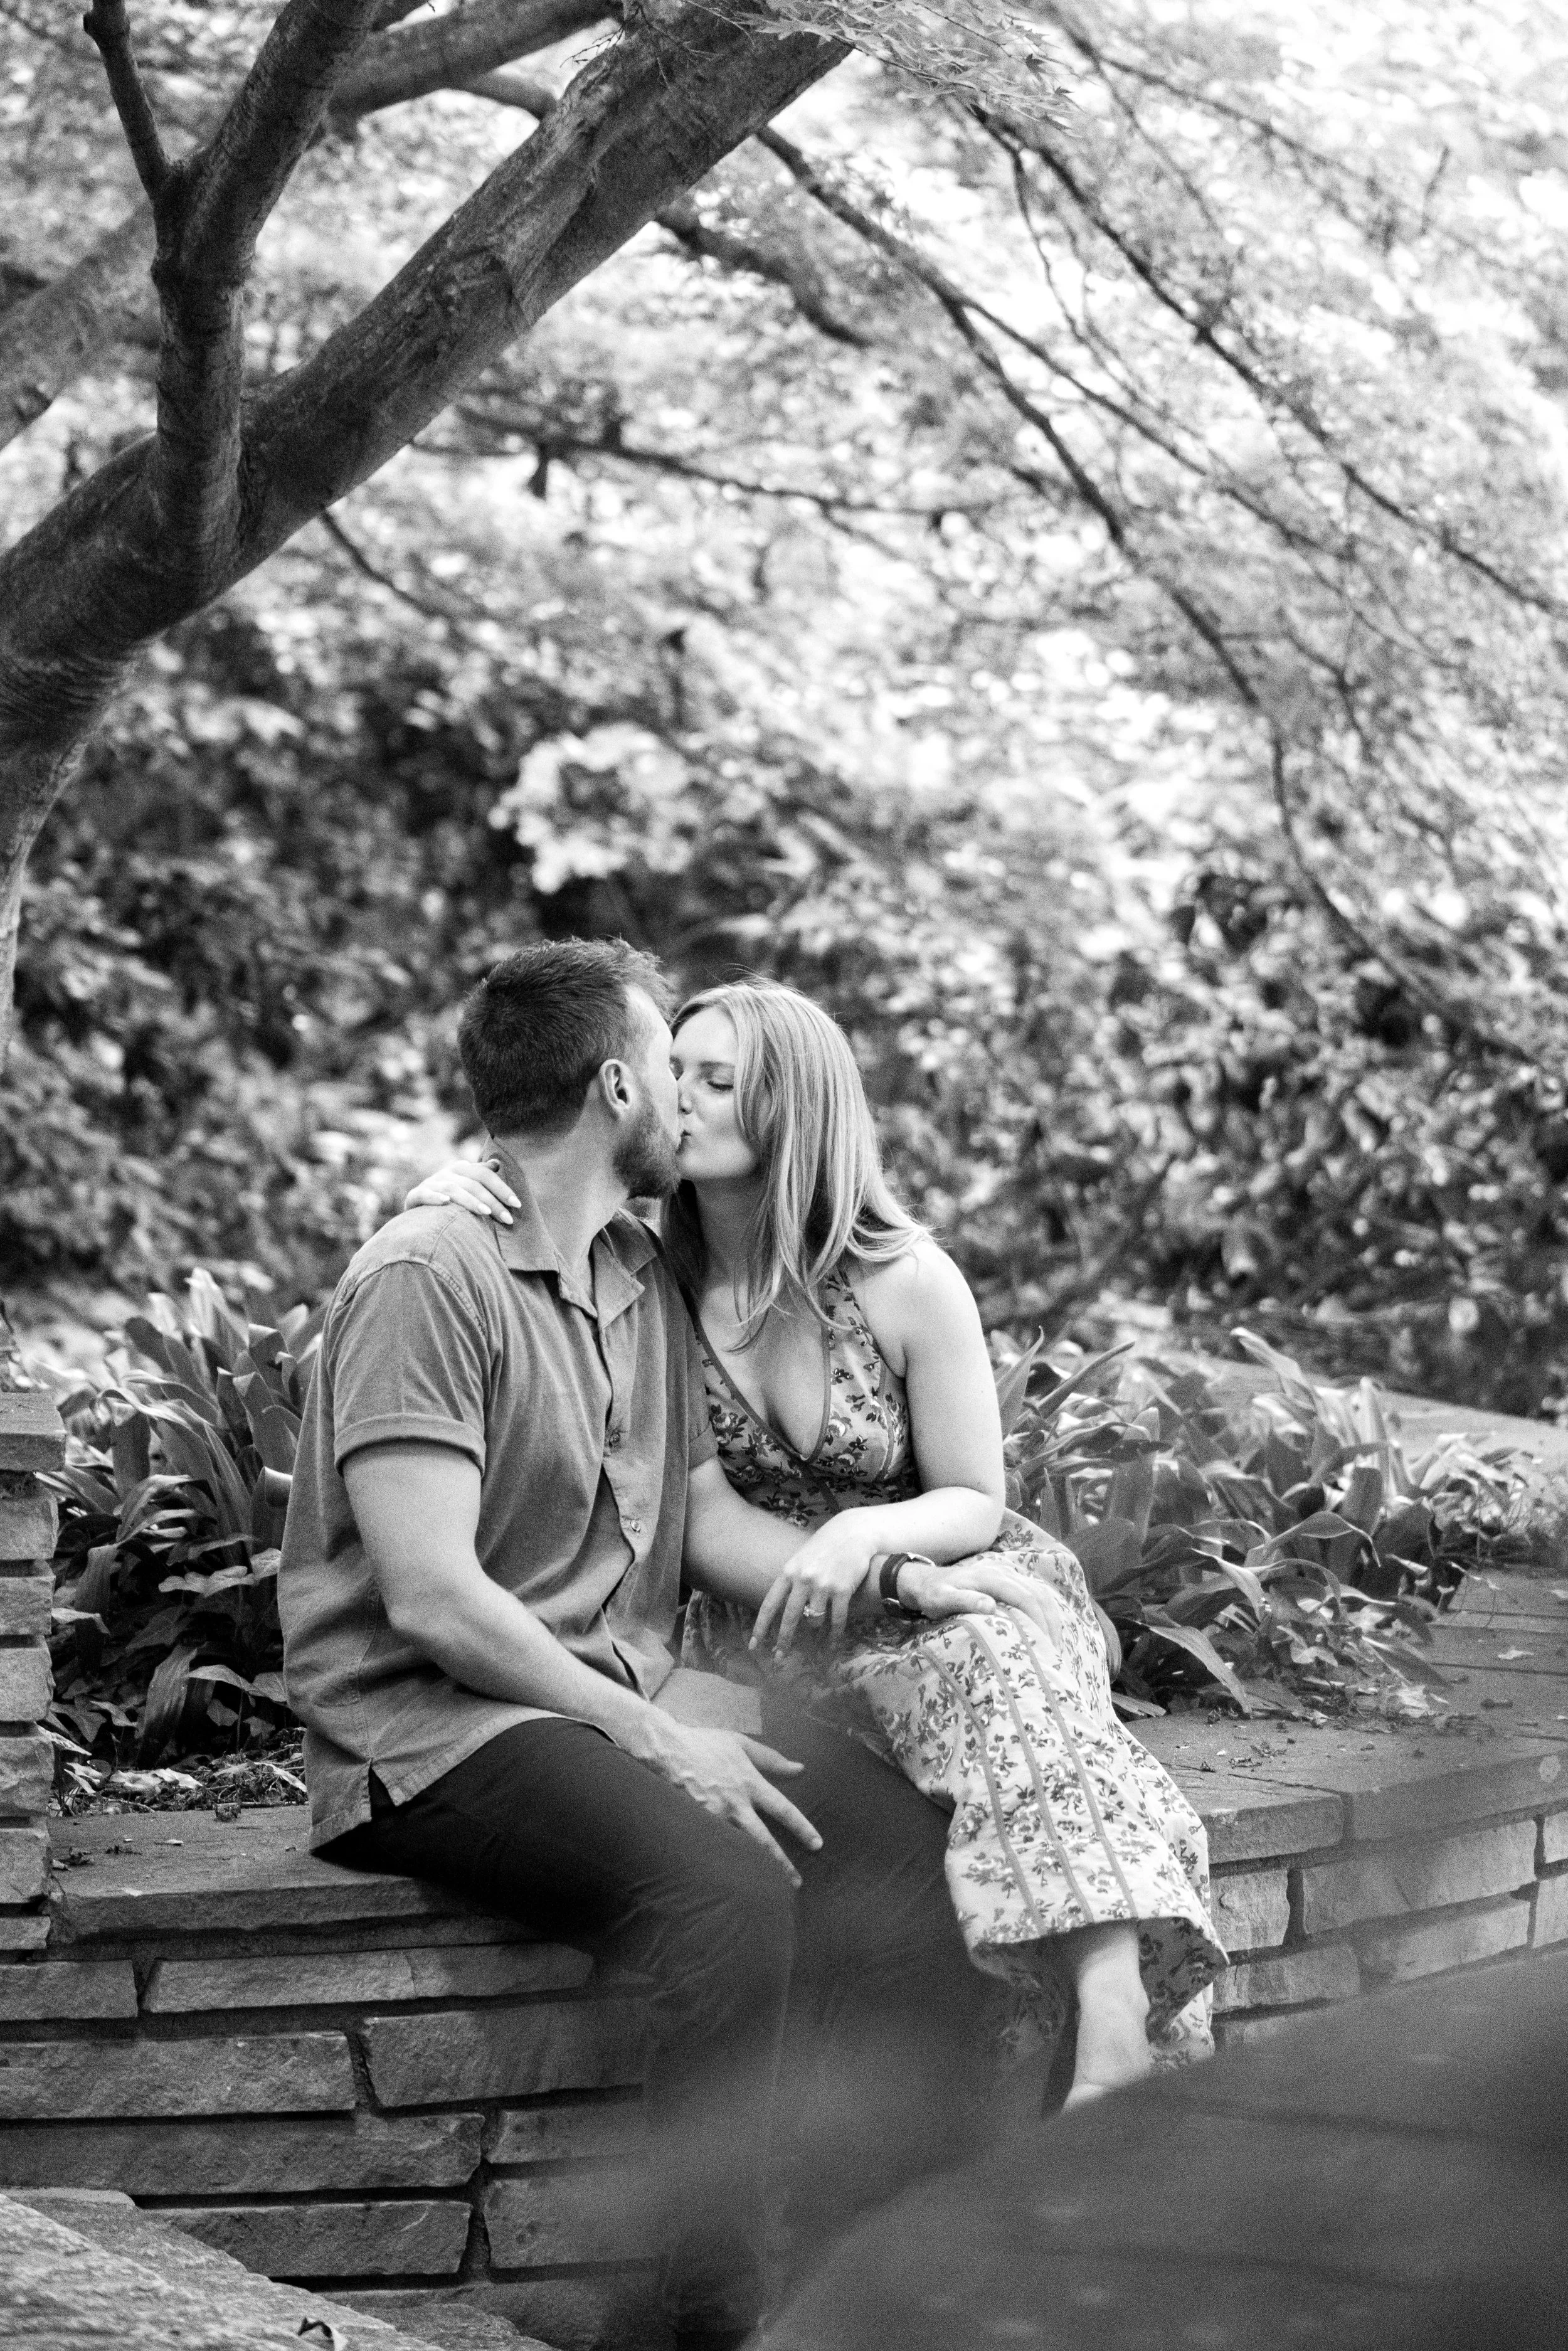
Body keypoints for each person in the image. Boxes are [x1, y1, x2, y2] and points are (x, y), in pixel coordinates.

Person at [280, 938, 1064, 2351]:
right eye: (669, 1063)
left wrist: (900, 1572)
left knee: (900, 1856)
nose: (687, 1099)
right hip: (434, 1727)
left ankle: (877, 2281)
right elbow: (433, 1601)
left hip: (603, 1691)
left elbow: (703, 1516)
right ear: (616, 1085)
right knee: (721, 1890)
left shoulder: (638, 1272)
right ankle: (709, 2322)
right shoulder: (425, 1274)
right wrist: (657, 1736)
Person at [411, 975, 1226, 2103]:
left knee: (995, 1649)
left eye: (716, 1079)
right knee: (975, 1707)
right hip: (779, 1615)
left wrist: (876, 1547)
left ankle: (1112, 2014)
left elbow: (973, 1496)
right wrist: (463, 1182)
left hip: (938, 1570)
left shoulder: (903, 1278)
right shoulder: (648, 1278)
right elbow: (696, 1510)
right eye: (675, 1072)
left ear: (793, 1105)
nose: (679, 1098)